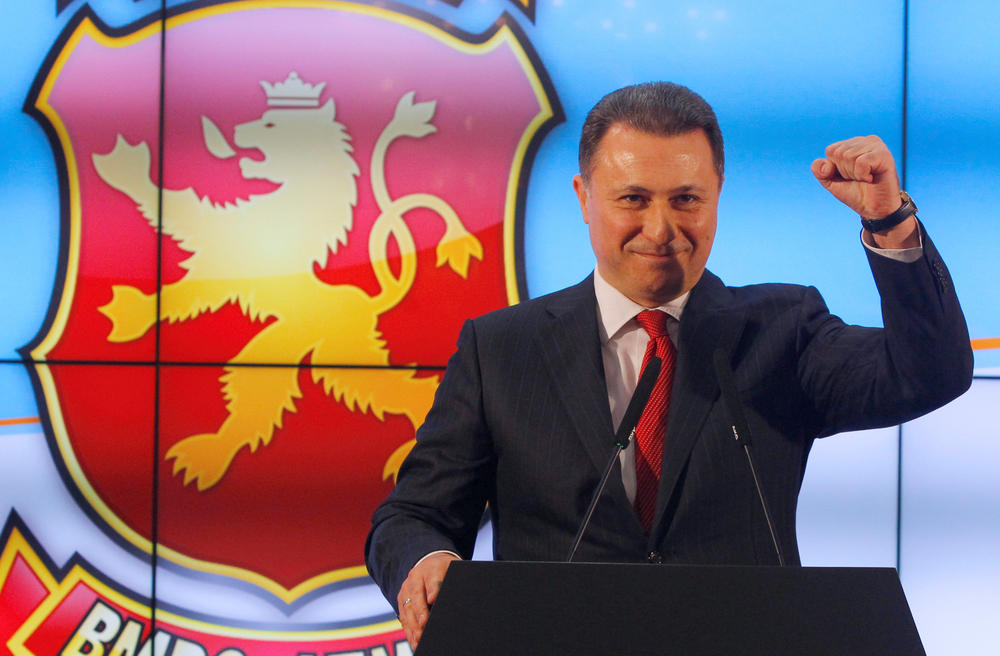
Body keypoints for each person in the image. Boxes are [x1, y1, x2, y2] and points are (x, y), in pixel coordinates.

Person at [365, 82, 973, 650]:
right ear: (583, 197)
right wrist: (427, 562)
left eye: (686, 199)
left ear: (717, 195)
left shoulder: (783, 330)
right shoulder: (502, 348)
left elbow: (929, 373)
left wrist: (890, 222)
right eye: (633, 199)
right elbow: (414, 514)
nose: (661, 230)